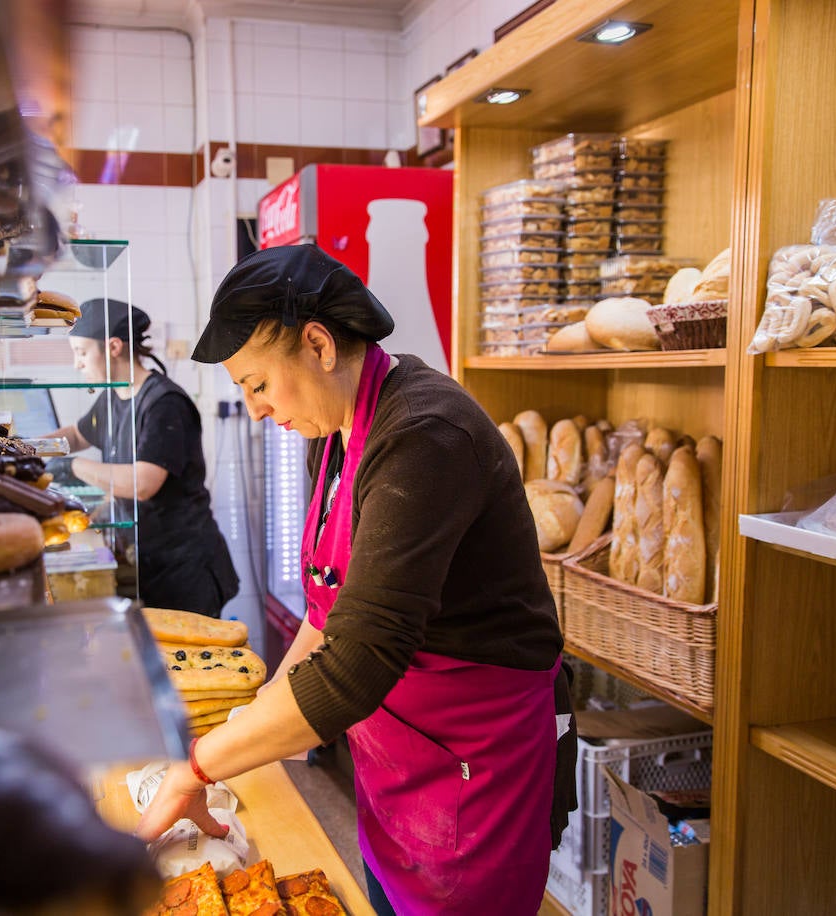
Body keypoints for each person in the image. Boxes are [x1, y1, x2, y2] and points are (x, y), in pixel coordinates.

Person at [134, 245, 573, 915]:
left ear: (317, 344)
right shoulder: (335, 431)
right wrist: (249, 727)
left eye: (256, 383)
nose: (253, 409)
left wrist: (199, 764)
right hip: (397, 763)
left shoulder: (425, 435)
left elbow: (359, 661)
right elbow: (324, 615)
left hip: (471, 769)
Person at [47, 298, 239, 617]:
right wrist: (23, 446)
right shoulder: (114, 396)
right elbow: (78, 435)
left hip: (185, 570)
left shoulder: (165, 403)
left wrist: (73, 466)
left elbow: (143, 483)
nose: (77, 365)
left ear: (113, 347)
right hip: (147, 561)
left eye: (81, 353)